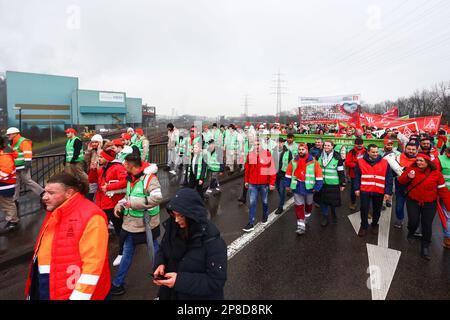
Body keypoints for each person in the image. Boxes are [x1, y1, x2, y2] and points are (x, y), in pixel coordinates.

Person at [25, 172, 110, 300]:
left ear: (69, 193)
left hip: (66, 288)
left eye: (51, 193)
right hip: (49, 282)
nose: (44, 197)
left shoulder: (92, 216)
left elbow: (93, 266)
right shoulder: (55, 210)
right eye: (45, 192)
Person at [153, 188, 227, 300]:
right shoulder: (173, 229)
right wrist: (160, 263)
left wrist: (179, 281)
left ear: (193, 216)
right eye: (174, 215)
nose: (176, 220)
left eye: (181, 216)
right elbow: (163, 249)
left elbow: (216, 280)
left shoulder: (212, 240)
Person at [111, 155, 163, 295]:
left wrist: (132, 204)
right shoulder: (131, 178)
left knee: (153, 250)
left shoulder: (149, 179)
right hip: (132, 225)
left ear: (130, 165)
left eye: (125, 163)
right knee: (146, 250)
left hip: (147, 225)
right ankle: (118, 283)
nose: (123, 165)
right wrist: (119, 204)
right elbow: (129, 196)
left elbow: (157, 197)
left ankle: (118, 283)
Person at [398, 153, 450, 260]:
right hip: (413, 201)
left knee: (427, 225)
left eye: (421, 161)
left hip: (430, 203)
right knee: (413, 221)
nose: (418, 163)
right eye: (417, 160)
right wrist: (408, 176)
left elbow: (443, 190)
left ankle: (425, 246)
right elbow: (401, 181)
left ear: (428, 162)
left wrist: (449, 206)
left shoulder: (436, 174)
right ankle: (411, 232)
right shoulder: (411, 169)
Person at [88, 148, 127, 264]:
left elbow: (125, 181)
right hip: (102, 204)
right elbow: (92, 180)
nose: (99, 159)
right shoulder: (102, 169)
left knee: (119, 228)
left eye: (101, 157)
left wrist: (109, 188)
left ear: (108, 158)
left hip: (113, 204)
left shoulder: (118, 168)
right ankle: (99, 251)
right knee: (101, 228)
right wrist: (93, 170)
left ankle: (122, 252)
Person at [354, 144, 393, 237]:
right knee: (364, 209)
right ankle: (363, 226)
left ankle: (375, 224)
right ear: (368, 152)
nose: (375, 154)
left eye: (376, 152)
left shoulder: (385, 162)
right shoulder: (360, 162)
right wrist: (356, 188)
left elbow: (389, 178)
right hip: (365, 190)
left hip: (379, 190)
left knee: (377, 210)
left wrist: (388, 192)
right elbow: (357, 177)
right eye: (373, 152)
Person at [285, 143, 323, 235]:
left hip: (309, 188)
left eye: (303, 149)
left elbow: (319, 175)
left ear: (306, 150)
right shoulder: (293, 161)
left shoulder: (313, 162)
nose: (301, 151)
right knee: (299, 206)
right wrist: (287, 185)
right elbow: (288, 173)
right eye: (299, 149)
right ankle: (301, 225)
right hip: (297, 186)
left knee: (309, 205)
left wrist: (317, 187)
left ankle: (306, 217)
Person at [6, 127, 44, 211]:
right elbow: (8, 153)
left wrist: (27, 163)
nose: (8, 136)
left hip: (23, 166)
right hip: (15, 167)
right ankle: (15, 200)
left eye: (9, 134)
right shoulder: (10, 143)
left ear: (15, 134)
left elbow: (27, 152)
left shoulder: (23, 141)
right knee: (15, 184)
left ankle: (42, 193)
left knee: (28, 181)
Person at [243, 139, 276, 232]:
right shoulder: (250, 155)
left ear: (262, 144)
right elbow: (247, 170)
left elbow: (271, 169)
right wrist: (246, 181)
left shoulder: (267, 154)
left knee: (264, 202)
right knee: (252, 203)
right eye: (255, 144)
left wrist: (272, 183)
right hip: (252, 183)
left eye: (259, 144)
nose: (257, 146)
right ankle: (251, 223)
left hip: (264, 184)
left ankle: (265, 217)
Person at [315, 141, 346, 226]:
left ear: (332, 146)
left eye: (329, 145)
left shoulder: (337, 157)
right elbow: (316, 169)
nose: (326, 147)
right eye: (325, 145)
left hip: (333, 184)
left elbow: (341, 171)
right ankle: (325, 217)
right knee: (323, 202)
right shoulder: (319, 155)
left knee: (333, 202)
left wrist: (342, 183)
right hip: (322, 183)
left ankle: (334, 214)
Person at [391, 143, 418, 229]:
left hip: (414, 187)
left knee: (413, 208)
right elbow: (391, 171)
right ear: (405, 149)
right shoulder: (397, 157)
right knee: (399, 205)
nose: (411, 151)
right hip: (400, 185)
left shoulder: (419, 159)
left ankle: (413, 224)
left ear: (416, 150)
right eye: (409, 149)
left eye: (413, 149)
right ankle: (399, 219)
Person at [0, 137, 19, 231]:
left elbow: (6, 170)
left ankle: (13, 221)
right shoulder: (3, 153)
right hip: (4, 183)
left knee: (7, 203)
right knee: (6, 203)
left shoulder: (4, 155)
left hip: (5, 184)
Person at [345, 138, 366, 211]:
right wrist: (357, 165)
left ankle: (365, 206)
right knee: (353, 190)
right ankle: (353, 203)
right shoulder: (351, 152)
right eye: (357, 144)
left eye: (361, 144)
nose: (359, 145)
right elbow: (347, 162)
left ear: (363, 144)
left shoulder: (366, 151)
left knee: (365, 191)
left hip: (365, 175)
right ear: (355, 144)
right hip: (354, 175)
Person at [274, 137, 293, 215]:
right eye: (278, 142)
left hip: (283, 174)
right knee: (278, 189)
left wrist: (289, 176)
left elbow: (290, 164)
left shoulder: (288, 152)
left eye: (281, 142)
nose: (279, 144)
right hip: (275, 174)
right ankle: (282, 199)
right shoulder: (273, 151)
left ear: (283, 143)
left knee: (281, 190)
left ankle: (280, 206)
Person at [437, 146, 450, 249]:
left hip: (444, 193)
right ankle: (448, 239)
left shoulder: (439, 159)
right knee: (447, 217)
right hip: (444, 193)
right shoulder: (439, 159)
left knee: (447, 217)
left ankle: (448, 238)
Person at [84, 134, 103, 201]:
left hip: (100, 174)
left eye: (96, 142)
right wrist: (88, 151)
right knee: (91, 192)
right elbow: (86, 161)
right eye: (93, 142)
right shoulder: (92, 151)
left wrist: (99, 150)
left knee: (94, 192)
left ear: (100, 143)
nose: (94, 144)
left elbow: (101, 161)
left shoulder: (103, 151)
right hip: (92, 173)